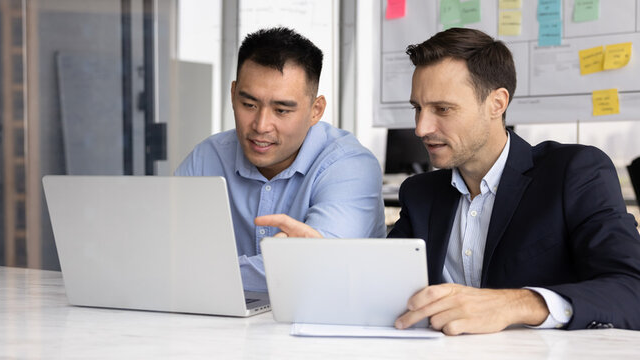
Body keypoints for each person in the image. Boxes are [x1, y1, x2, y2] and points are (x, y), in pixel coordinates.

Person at [258, 27, 640, 335]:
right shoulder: (421, 194)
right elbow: (384, 289)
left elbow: (632, 289)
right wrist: (326, 262)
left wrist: (515, 304)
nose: (422, 128)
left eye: (442, 109)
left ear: (497, 103)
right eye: (417, 108)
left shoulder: (573, 172)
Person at [175, 27, 386, 292]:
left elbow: (319, 265)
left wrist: (193, 272)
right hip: (221, 314)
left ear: (316, 110)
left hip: (326, 315)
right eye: (249, 105)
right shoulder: (208, 157)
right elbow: (163, 247)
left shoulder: (350, 166)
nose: (261, 125)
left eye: (282, 110)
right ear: (233, 94)